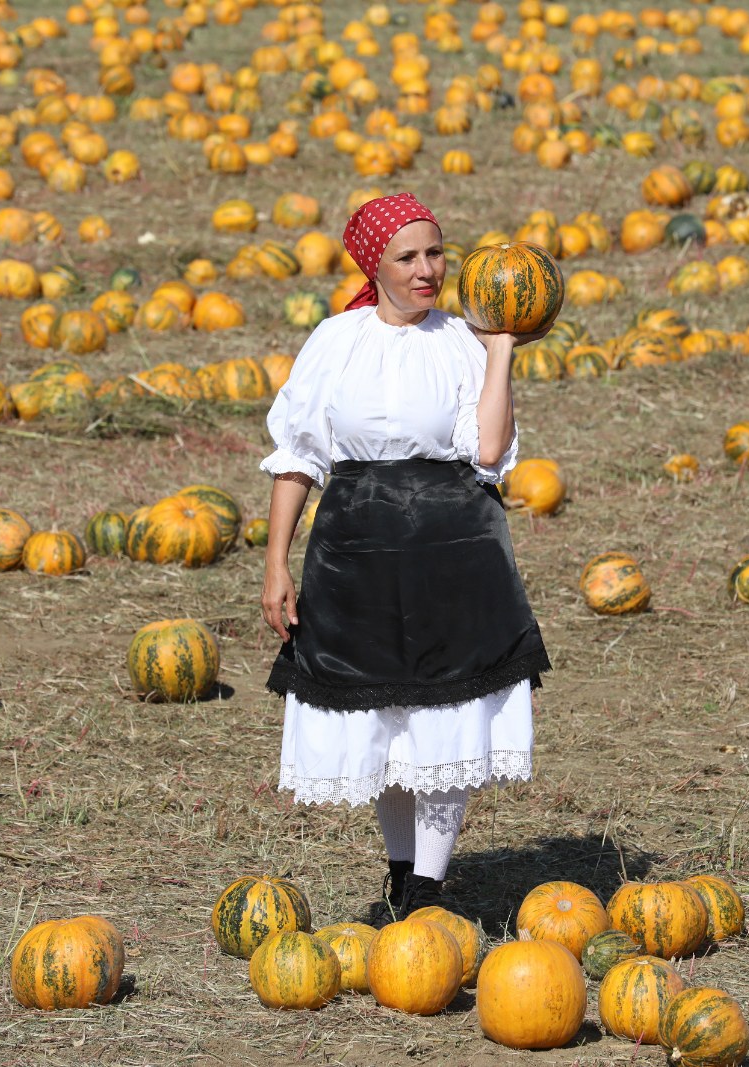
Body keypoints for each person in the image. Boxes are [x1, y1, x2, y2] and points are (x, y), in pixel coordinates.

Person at [258, 192, 550, 917]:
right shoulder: (335, 340)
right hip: (354, 551)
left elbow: (488, 451)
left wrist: (500, 347)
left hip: (456, 549)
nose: (427, 270)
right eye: (408, 257)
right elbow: (299, 458)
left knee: (445, 719)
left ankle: (427, 886)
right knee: (382, 717)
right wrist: (275, 564)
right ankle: (400, 872)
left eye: (436, 253)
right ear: (375, 265)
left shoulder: (464, 340)